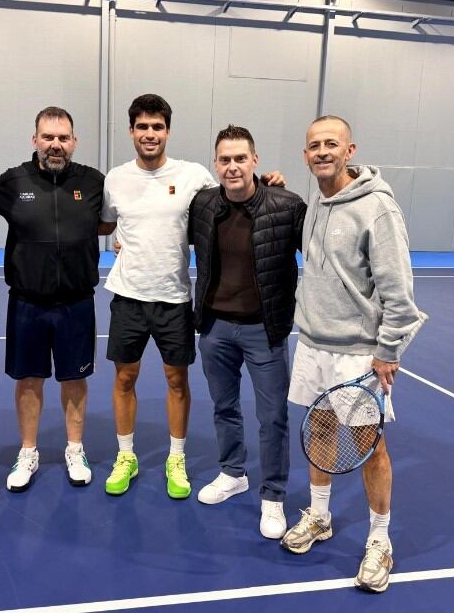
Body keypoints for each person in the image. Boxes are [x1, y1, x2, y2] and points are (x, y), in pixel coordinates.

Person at [99, 94, 284, 499]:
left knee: (176, 381)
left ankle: (176, 458)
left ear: (168, 131)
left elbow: (235, 192)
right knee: (124, 378)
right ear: (131, 131)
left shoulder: (194, 175)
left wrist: (269, 185)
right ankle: (126, 455)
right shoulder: (114, 178)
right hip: (128, 296)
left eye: (157, 127)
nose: (150, 134)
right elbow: (106, 222)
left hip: (176, 298)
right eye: (142, 127)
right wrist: (116, 238)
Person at [280, 115, 427, 593]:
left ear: (349, 150)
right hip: (313, 343)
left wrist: (387, 350)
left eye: (331, 144)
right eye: (313, 145)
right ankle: (319, 516)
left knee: (369, 447)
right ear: (305, 156)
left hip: (358, 354)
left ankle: (380, 542)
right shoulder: (318, 204)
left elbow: (400, 292)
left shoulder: (377, 209)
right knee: (320, 429)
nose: (321, 152)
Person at [189, 125, 306, 539]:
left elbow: (323, 250)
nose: (233, 166)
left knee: (272, 417)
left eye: (241, 158)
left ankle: (273, 496)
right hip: (216, 328)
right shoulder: (203, 204)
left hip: (265, 331)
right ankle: (232, 473)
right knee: (224, 408)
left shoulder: (287, 205)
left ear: (255, 161)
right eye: (225, 159)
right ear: (215, 163)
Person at [0, 107, 105, 492]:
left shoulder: (93, 183)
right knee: (28, 380)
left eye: (63, 137)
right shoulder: (10, 183)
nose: (56, 144)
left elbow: (130, 211)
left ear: (74, 141)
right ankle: (28, 451)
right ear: (34, 139)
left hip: (77, 302)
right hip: (27, 303)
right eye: (48, 137)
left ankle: (75, 448)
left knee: (74, 379)